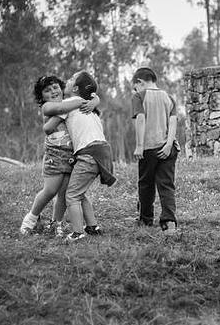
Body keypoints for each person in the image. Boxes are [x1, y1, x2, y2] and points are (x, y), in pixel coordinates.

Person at [20, 75, 99, 236]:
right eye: (47, 91)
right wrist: (82, 102)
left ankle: (56, 223)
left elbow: (94, 96)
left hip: (71, 155)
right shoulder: (48, 107)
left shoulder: (69, 102)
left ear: (61, 88)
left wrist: (93, 102)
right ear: (42, 97)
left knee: (64, 193)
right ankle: (31, 218)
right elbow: (61, 110)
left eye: (55, 87)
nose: (53, 91)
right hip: (54, 156)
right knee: (50, 190)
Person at [43, 71, 116, 241]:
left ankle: (77, 232)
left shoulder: (69, 103)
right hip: (103, 151)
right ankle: (92, 227)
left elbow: (48, 128)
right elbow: (95, 99)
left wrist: (49, 115)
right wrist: (95, 100)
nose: (66, 82)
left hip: (89, 153)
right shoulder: (91, 107)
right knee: (80, 192)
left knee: (72, 195)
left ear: (75, 88)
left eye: (70, 80)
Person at [131, 67, 179, 234]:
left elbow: (141, 118)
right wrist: (168, 145)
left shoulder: (139, 96)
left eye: (135, 86)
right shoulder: (169, 97)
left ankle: (145, 219)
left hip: (149, 149)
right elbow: (173, 124)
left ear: (140, 82)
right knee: (167, 185)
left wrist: (139, 145)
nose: (135, 90)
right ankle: (169, 222)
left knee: (146, 185)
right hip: (168, 148)